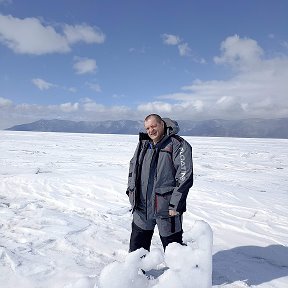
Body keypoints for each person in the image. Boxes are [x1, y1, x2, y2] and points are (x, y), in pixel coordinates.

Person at [126, 114, 193, 252]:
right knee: (137, 250)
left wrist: (175, 204)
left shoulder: (178, 144)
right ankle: (136, 272)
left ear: (162, 124)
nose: (150, 130)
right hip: (142, 208)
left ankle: (182, 273)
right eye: (147, 128)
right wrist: (131, 191)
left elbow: (184, 176)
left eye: (153, 126)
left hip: (166, 209)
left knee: (174, 250)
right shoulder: (144, 143)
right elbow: (133, 167)